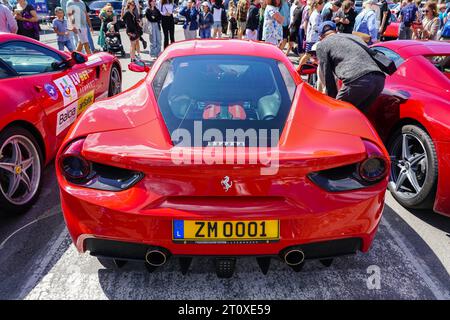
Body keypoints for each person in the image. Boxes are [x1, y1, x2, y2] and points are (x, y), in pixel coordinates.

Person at [316, 21, 385, 114]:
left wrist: (331, 101)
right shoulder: (354, 37)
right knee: (359, 116)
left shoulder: (322, 45)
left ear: (320, 37)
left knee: (337, 114)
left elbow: (327, 76)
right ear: (336, 30)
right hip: (379, 78)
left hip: (357, 80)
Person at [299, 0, 323, 66]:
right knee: (307, 55)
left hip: (314, 38)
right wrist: (322, 30)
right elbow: (314, 26)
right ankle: (298, 68)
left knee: (312, 56)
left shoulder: (317, 13)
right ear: (318, 5)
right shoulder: (315, 14)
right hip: (313, 39)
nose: (323, 6)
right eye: (322, 4)